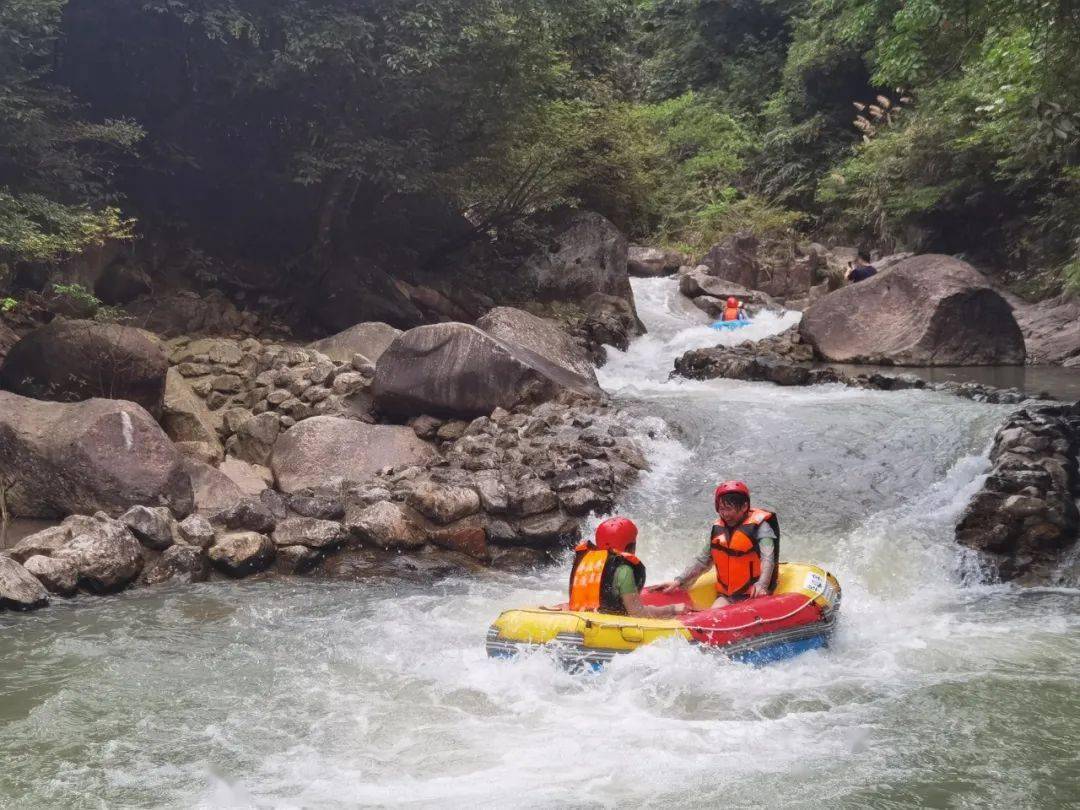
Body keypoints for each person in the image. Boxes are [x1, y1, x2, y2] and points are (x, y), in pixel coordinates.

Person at [656, 481, 779, 605]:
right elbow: (702, 560)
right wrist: (679, 581)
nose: (724, 514)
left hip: (754, 595)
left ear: (744, 507)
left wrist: (762, 584)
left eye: (729, 509)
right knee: (713, 615)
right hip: (728, 595)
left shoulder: (761, 527)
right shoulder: (718, 529)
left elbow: (767, 558)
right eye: (721, 509)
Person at [568, 517, 687, 618]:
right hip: (607, 627)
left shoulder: (586, 561)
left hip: (581, 618)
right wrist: (672, 609)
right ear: (629, 546)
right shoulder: (624, 569)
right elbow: (637, 613)